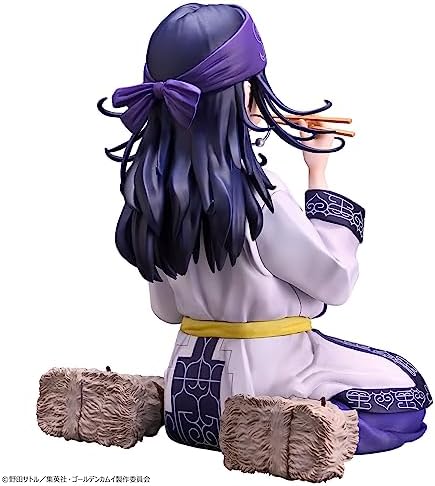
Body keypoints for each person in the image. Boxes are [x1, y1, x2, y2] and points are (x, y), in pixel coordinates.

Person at [98, 1, 431, 466]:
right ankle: (283, 430)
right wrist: (318, 173)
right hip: (268, 380)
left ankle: (153, 402)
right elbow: (335, 282)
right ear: (239, 96)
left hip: (187, 396)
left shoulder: (151, 197)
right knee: (407, 392)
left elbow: (166, 311)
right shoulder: (257, 194)